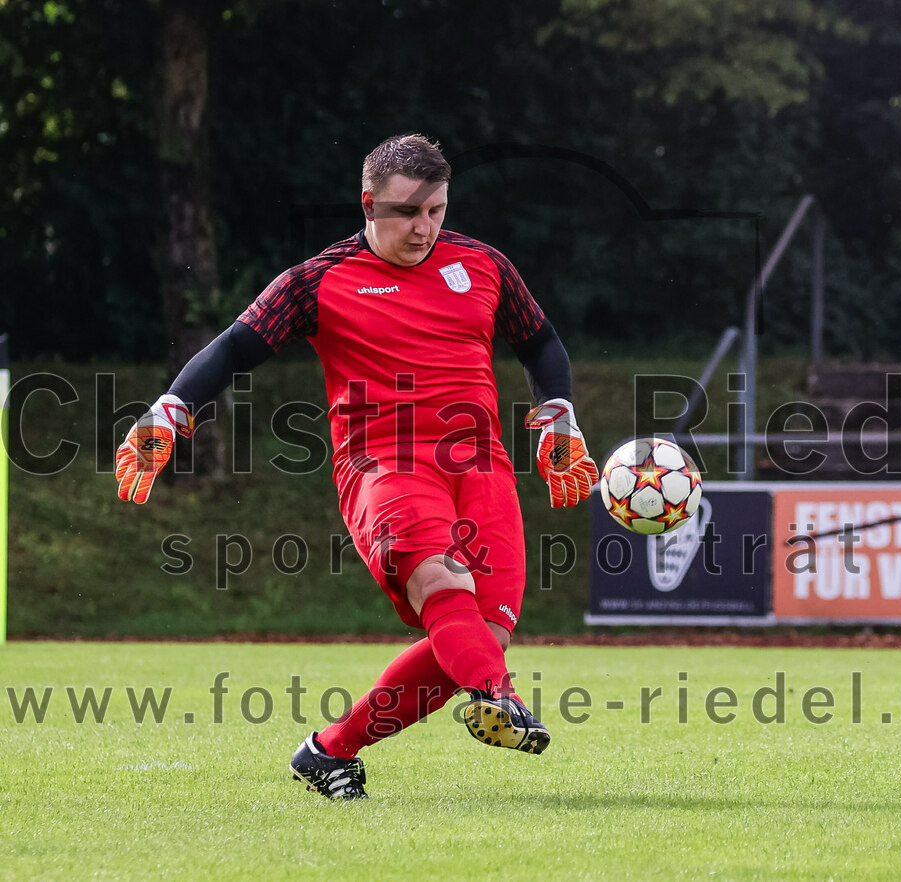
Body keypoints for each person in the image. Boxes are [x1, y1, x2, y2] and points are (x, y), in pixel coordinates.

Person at [115, 133, 599, 800]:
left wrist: (560, 414)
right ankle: (501, 698)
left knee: (478, 636)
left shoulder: (482, 264)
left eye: (437, 211)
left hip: (482, 466)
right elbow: (231, 350)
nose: (424, 227)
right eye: (407, 212)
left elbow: (540, 342)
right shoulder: (319, 280)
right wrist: (169, 412)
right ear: (368, 205)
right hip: (385, 465)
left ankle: (327, 751)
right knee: (441, 584)